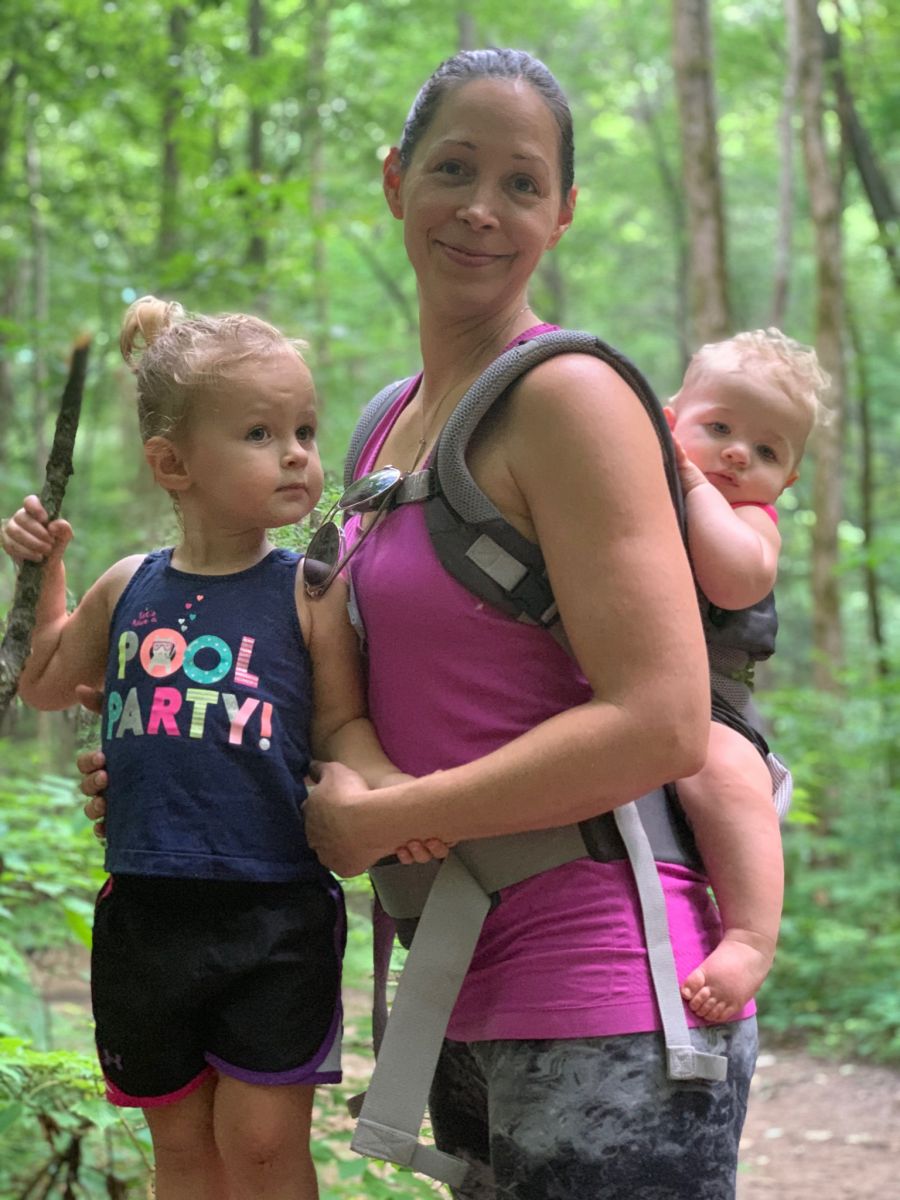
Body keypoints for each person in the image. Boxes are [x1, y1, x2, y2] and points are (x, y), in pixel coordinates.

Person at [78, 49, 755, 1200]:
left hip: (609, 997)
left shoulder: (570, 396)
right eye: (453, 168)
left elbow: (662, 722)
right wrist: (195, 756)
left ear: (565, 213)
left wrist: (394, 817)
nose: (482, 209)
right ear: (396, 181)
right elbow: (352, 696)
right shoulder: (384, 429)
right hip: (461, 987)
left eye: (523, 183)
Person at [0, 297, 411, 1200]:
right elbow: (41, 683)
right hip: (147, 910)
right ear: (172, 464)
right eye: (262, 433)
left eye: (304, 429)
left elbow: (342, 725)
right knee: (183, 1150)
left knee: (263, 1143)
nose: (299, 452)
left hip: (274, 911)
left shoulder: (309, 592)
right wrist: (48, 568)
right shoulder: (126, 588)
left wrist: (394, 799)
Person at [663, 329, 829, 1024]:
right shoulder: (632, 485)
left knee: (728, 775)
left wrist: (696, 484)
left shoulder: (752, 521)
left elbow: (733, 582)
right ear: (671, 422)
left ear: (786, 482)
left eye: (766, 451)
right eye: (720, 427)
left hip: (709, 703)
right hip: (612, 681)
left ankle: (751, 938)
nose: (738, 453)